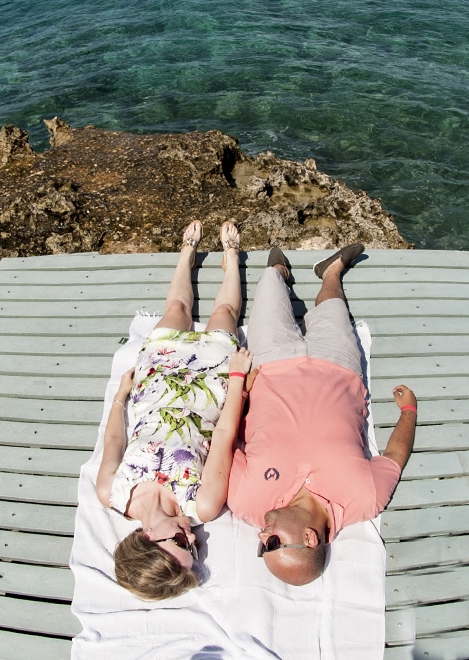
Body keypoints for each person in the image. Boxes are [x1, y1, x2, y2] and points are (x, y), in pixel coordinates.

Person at [227, 244, 418, 586]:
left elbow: (223, 441)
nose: (261, 536)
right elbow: (394, 457)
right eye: (272, 543)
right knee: (333, 307)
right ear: (310, 538)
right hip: (339, 367)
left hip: (270, 365)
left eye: (261, 548)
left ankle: (281, 274)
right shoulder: (364, 499)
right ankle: (330, 272)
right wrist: (409, 411)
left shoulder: (246, 502)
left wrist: (242, 392)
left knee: (269, 280)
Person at [96, 220, 252, 600]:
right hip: (209, 386)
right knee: (225, 312)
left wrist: (120, 395)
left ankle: (187, 253)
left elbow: (114, 439)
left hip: (156, 380)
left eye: (180, 543)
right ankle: (232, 257)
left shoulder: (112, 492)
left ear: (148, 536)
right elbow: (224, 436)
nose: (192, 538)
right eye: (193, 550)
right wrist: (236, 379)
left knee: (177, 307)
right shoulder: (202, 506)